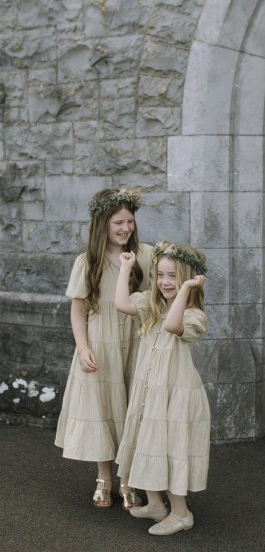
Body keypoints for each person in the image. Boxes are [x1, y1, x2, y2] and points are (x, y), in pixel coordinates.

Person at [55, 188, 153, 510]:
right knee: (103, 411)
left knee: (132, 411)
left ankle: (128, 481)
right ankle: (104, 479)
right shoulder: (88, 262)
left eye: (130, 221)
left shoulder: (145, 256)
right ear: (103, 224)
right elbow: (78, 309)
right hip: (101, 343)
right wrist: (83, 348)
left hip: (135, 344)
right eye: (118, 223)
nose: (126, 228)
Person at [114, 240, 210, 536]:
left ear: (187, 281)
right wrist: (126, 268)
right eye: (161, 275)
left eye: (174, 276)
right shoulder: (150, 307)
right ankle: (156, 504)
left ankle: (181, 513)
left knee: (170, 448)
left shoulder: (193, 316)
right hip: (150, 391)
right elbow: (121, 303)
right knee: (148, 442)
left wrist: (185, 290)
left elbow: (172, 325)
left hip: (175, 394)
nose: (165, 282)